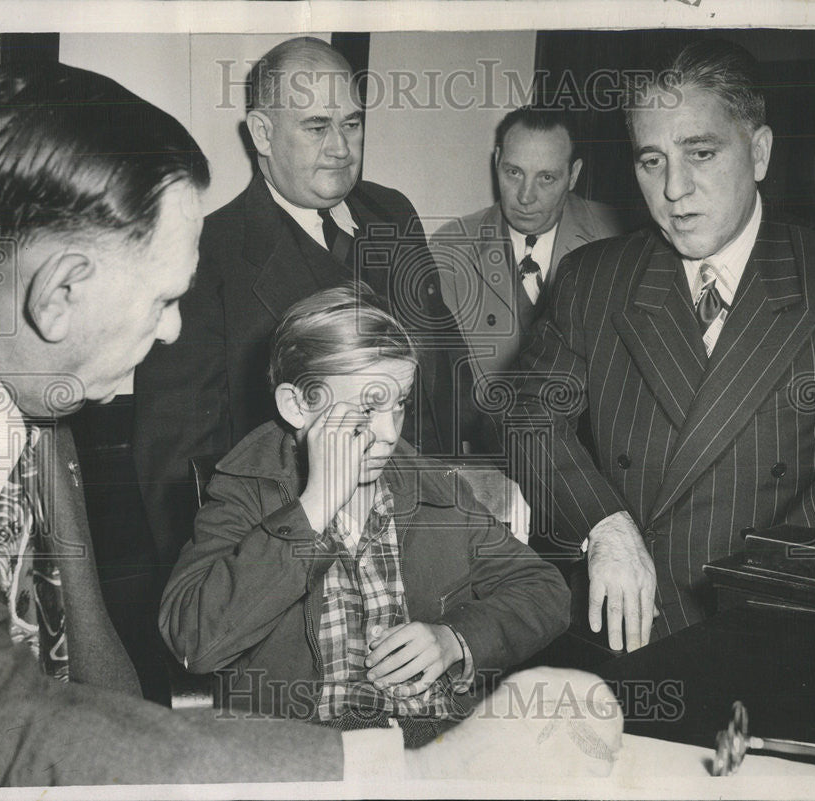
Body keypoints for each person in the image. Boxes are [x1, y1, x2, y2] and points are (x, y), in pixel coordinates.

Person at [0, 60, 619, 787]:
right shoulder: (218, 467)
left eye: (352, 122)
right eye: (160, 301)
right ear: (59, 296)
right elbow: (4, 720)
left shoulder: (43, 422)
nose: (172, 330)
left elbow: (91, 677)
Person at [506, 39, 815, 652]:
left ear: (759, 152)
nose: (674, 189)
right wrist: (603, 524)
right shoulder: (594, 278)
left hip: (784, 627)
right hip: (626, 620)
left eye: (700, 152)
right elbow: (525, 414)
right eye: (651, 161)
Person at [133, 36, 527, 572]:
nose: (341, 147)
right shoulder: (210, 255)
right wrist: (221, 593)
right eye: (317, 127)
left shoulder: (392, 214)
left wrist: (483, 471)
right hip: (306, 559)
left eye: (352, 123)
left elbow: (446, 367)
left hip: (436, 529)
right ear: (262, 134)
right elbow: (177, 465)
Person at [159, 285, 571, 746]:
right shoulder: (244, 490)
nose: (389, 433)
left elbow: (545, 590)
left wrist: (455, 639)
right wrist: (312, 508)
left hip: (431, 737)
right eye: (367, 409)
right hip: (305, 752)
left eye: (400, 404)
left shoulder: (431, 487)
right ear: (297, 406)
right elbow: (193, 641)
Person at [432, 106, 622, 408]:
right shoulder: (450, 249)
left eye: (546, 178)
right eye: (514, 172)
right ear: (496, 162)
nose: (525, 196)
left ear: (573, 176)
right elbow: (443, 389)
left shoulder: (618, 242)